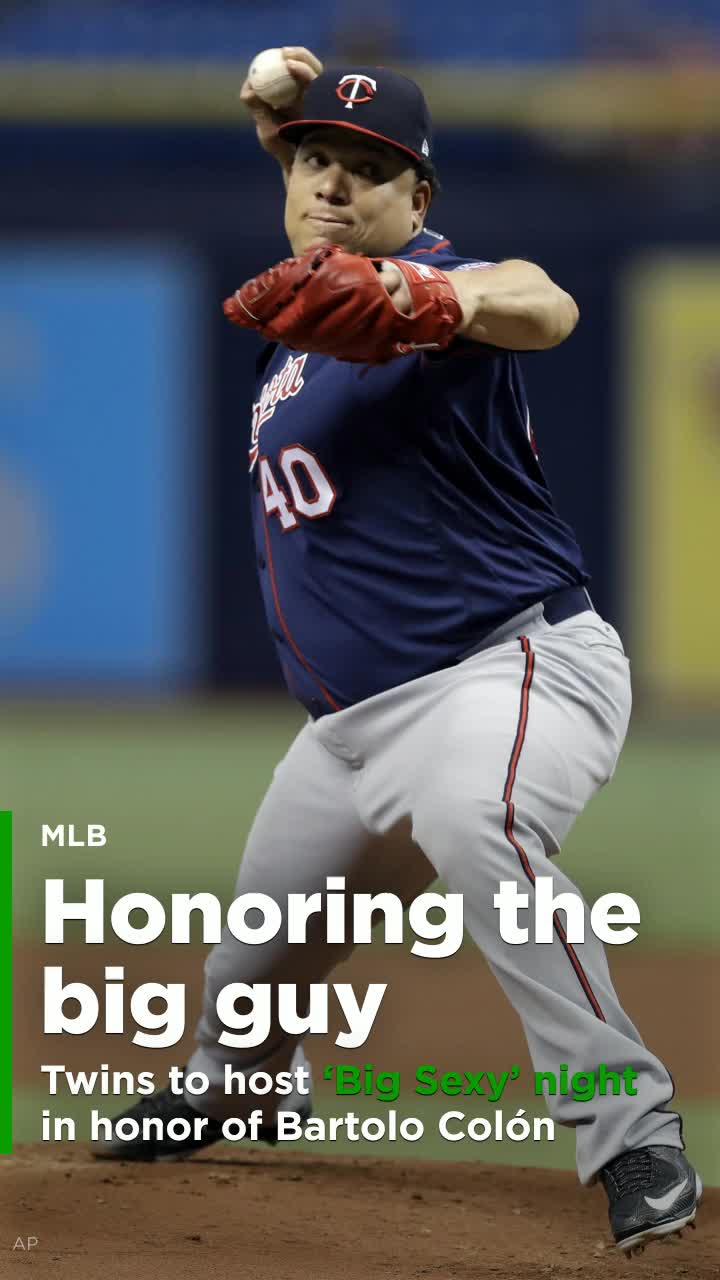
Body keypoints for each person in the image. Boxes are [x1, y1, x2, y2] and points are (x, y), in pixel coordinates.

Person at [94, 50, 701, 1256]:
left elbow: (546, 301)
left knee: (481, 825)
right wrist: (283, 115)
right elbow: (305, 163)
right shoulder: (306, 313)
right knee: (255, 953)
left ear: (418, 200)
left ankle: (635, 1131)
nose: (336, 183)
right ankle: (244, 1082)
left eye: (372, 170)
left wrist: (448, 302)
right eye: (320, 159)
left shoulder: (434, 283)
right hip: (349, 726)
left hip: (506, 669)